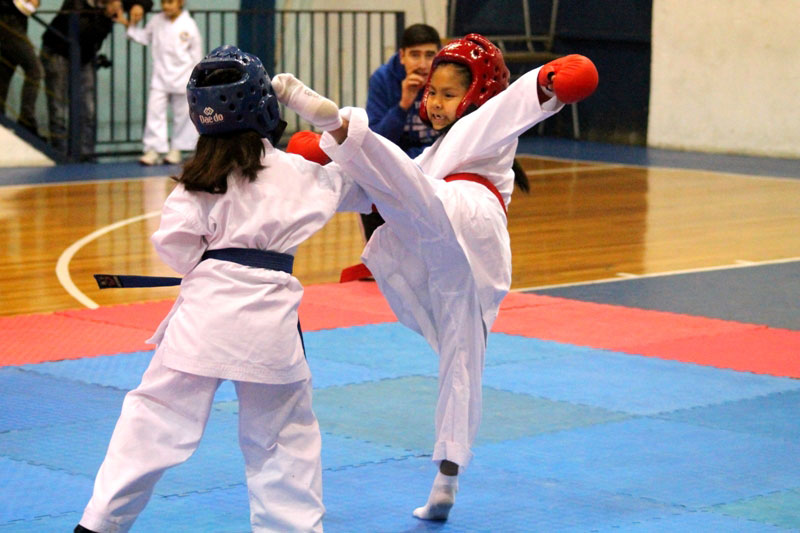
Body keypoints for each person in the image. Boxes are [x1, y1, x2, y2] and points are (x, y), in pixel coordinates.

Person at [273, 35, 598, 521]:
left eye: (448, 93)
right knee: (461, 361)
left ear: (477, 92)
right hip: (453, 251)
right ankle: (447, 480)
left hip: (470, 214)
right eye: (433, 92)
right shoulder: (433, 157)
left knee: (401, 185)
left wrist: (548, 84)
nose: (436, 102)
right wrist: (318, 168)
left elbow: (517, 105)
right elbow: (383, 187)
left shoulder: (488, 123)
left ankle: (337, 126)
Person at [73, 45, 371, 533]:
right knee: (282, 440)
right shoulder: (300, 174)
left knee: (152, 421)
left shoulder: (195, 183)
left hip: (202, 320)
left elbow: (176, 248)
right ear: (264, 106)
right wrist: (334, 124)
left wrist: (213, 261)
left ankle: (99, 523)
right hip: (270, 327)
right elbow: (367, 183)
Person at [39, 0, 123, 159]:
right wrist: (106, 16)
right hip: (58, 51)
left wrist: (139, 6)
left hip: (84, 56)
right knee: (58, 106)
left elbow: (145, 2)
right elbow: (83, 34)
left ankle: (85, 153)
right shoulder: (76, 3)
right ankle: (60, 154)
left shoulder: (107, 5)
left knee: (88, 107)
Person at [123, 0, 202, 165]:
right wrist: (130, 25)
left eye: (170, 2)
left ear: (181, 2)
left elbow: (196, 54)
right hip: (159, 77)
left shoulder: (189, 24)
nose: (166, 6)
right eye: (163, 2)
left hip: (183, 77)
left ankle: (177, 149)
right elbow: (143, 36)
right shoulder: (156, 21)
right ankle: (153, 149)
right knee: (155, 111)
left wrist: (197, 78)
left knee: (182, 115)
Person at [0, 0, 44, 135]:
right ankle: (27, 119)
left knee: (4, 75)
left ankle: (4, 121)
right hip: (10, 22)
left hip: (12, 22)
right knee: (35, 70)